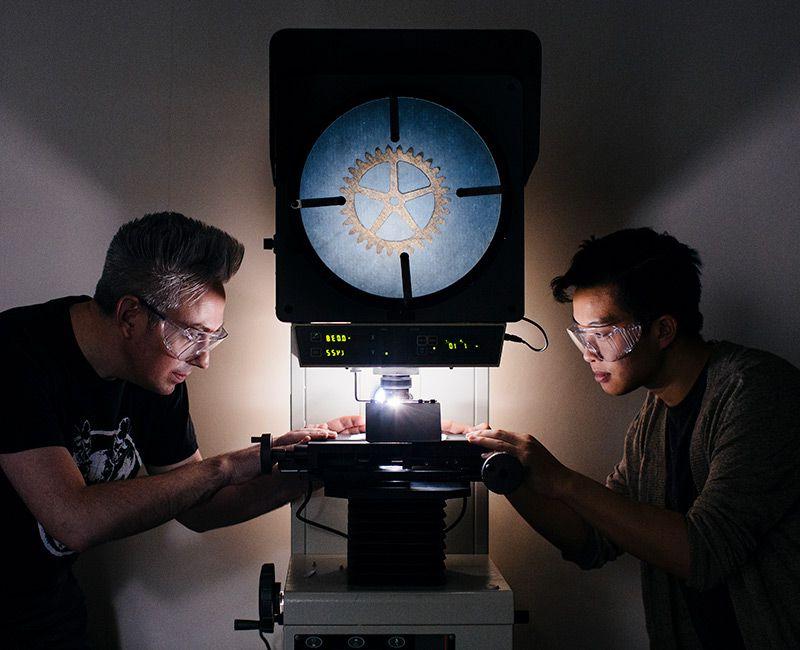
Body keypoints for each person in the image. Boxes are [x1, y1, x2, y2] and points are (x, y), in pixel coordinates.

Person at [0, 212, 344, 648]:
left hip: (49, 608)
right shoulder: (15, 357)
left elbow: (199, 507)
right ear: (129, 316)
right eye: (192, 336)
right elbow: (74, 519)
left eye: (212, 337)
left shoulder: (153, 369)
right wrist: (228, 465)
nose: (203, 359)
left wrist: (309, 468)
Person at [467, 228, 800, 649]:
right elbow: (592, 539)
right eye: (580, 335)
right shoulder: (652, 419)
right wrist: (508, 470)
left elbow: (705, 554)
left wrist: (564, 480)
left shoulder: (758, 392)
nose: (588, 352)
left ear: (662, 330)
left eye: (603, 334)